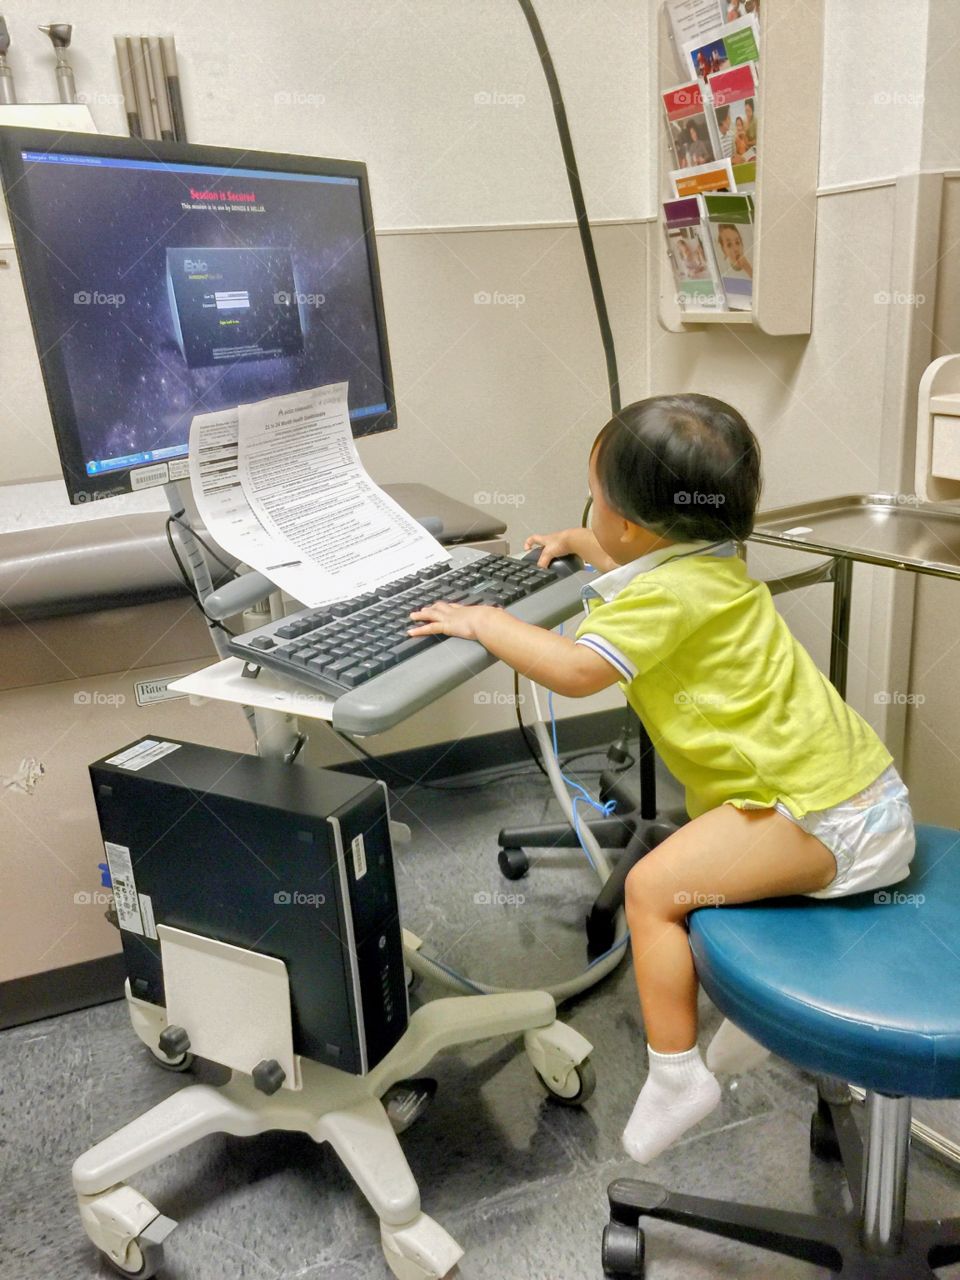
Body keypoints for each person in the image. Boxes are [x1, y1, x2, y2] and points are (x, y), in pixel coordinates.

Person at [408, 395, 915, 1164]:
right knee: (709, 866)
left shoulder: (660, 598)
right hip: (862, 793)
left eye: (597, 503)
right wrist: (583, 541)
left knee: (649, 890)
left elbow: (578, 670)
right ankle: (763, 1013)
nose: (595, 516)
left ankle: (677, 1075)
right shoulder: (712, 558)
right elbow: (647, 563)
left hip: (822, 818)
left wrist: (488, 623)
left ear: (632, 525)